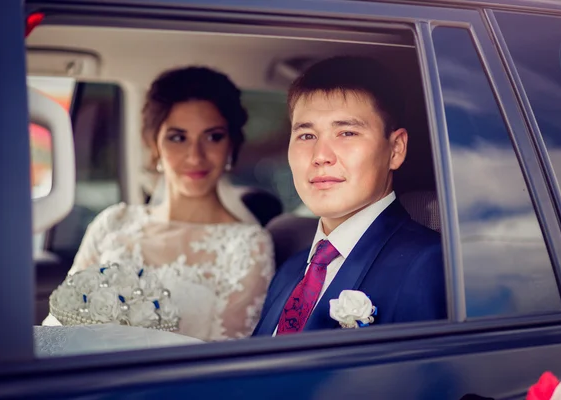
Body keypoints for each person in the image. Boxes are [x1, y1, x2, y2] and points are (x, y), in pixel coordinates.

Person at [45, 66, 275, 342]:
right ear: (153, 145)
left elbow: (223, 361)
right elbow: (63, 315)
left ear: (232, 145)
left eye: (213, 137)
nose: (195, 156)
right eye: (177, 138)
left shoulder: (249, 246)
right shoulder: (113, 222)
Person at [253, 56, 446, 336]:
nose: (320, 156)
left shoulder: (428, 265)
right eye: (307, 136)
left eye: (346, 132)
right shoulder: (291, 270)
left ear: (395, 149)